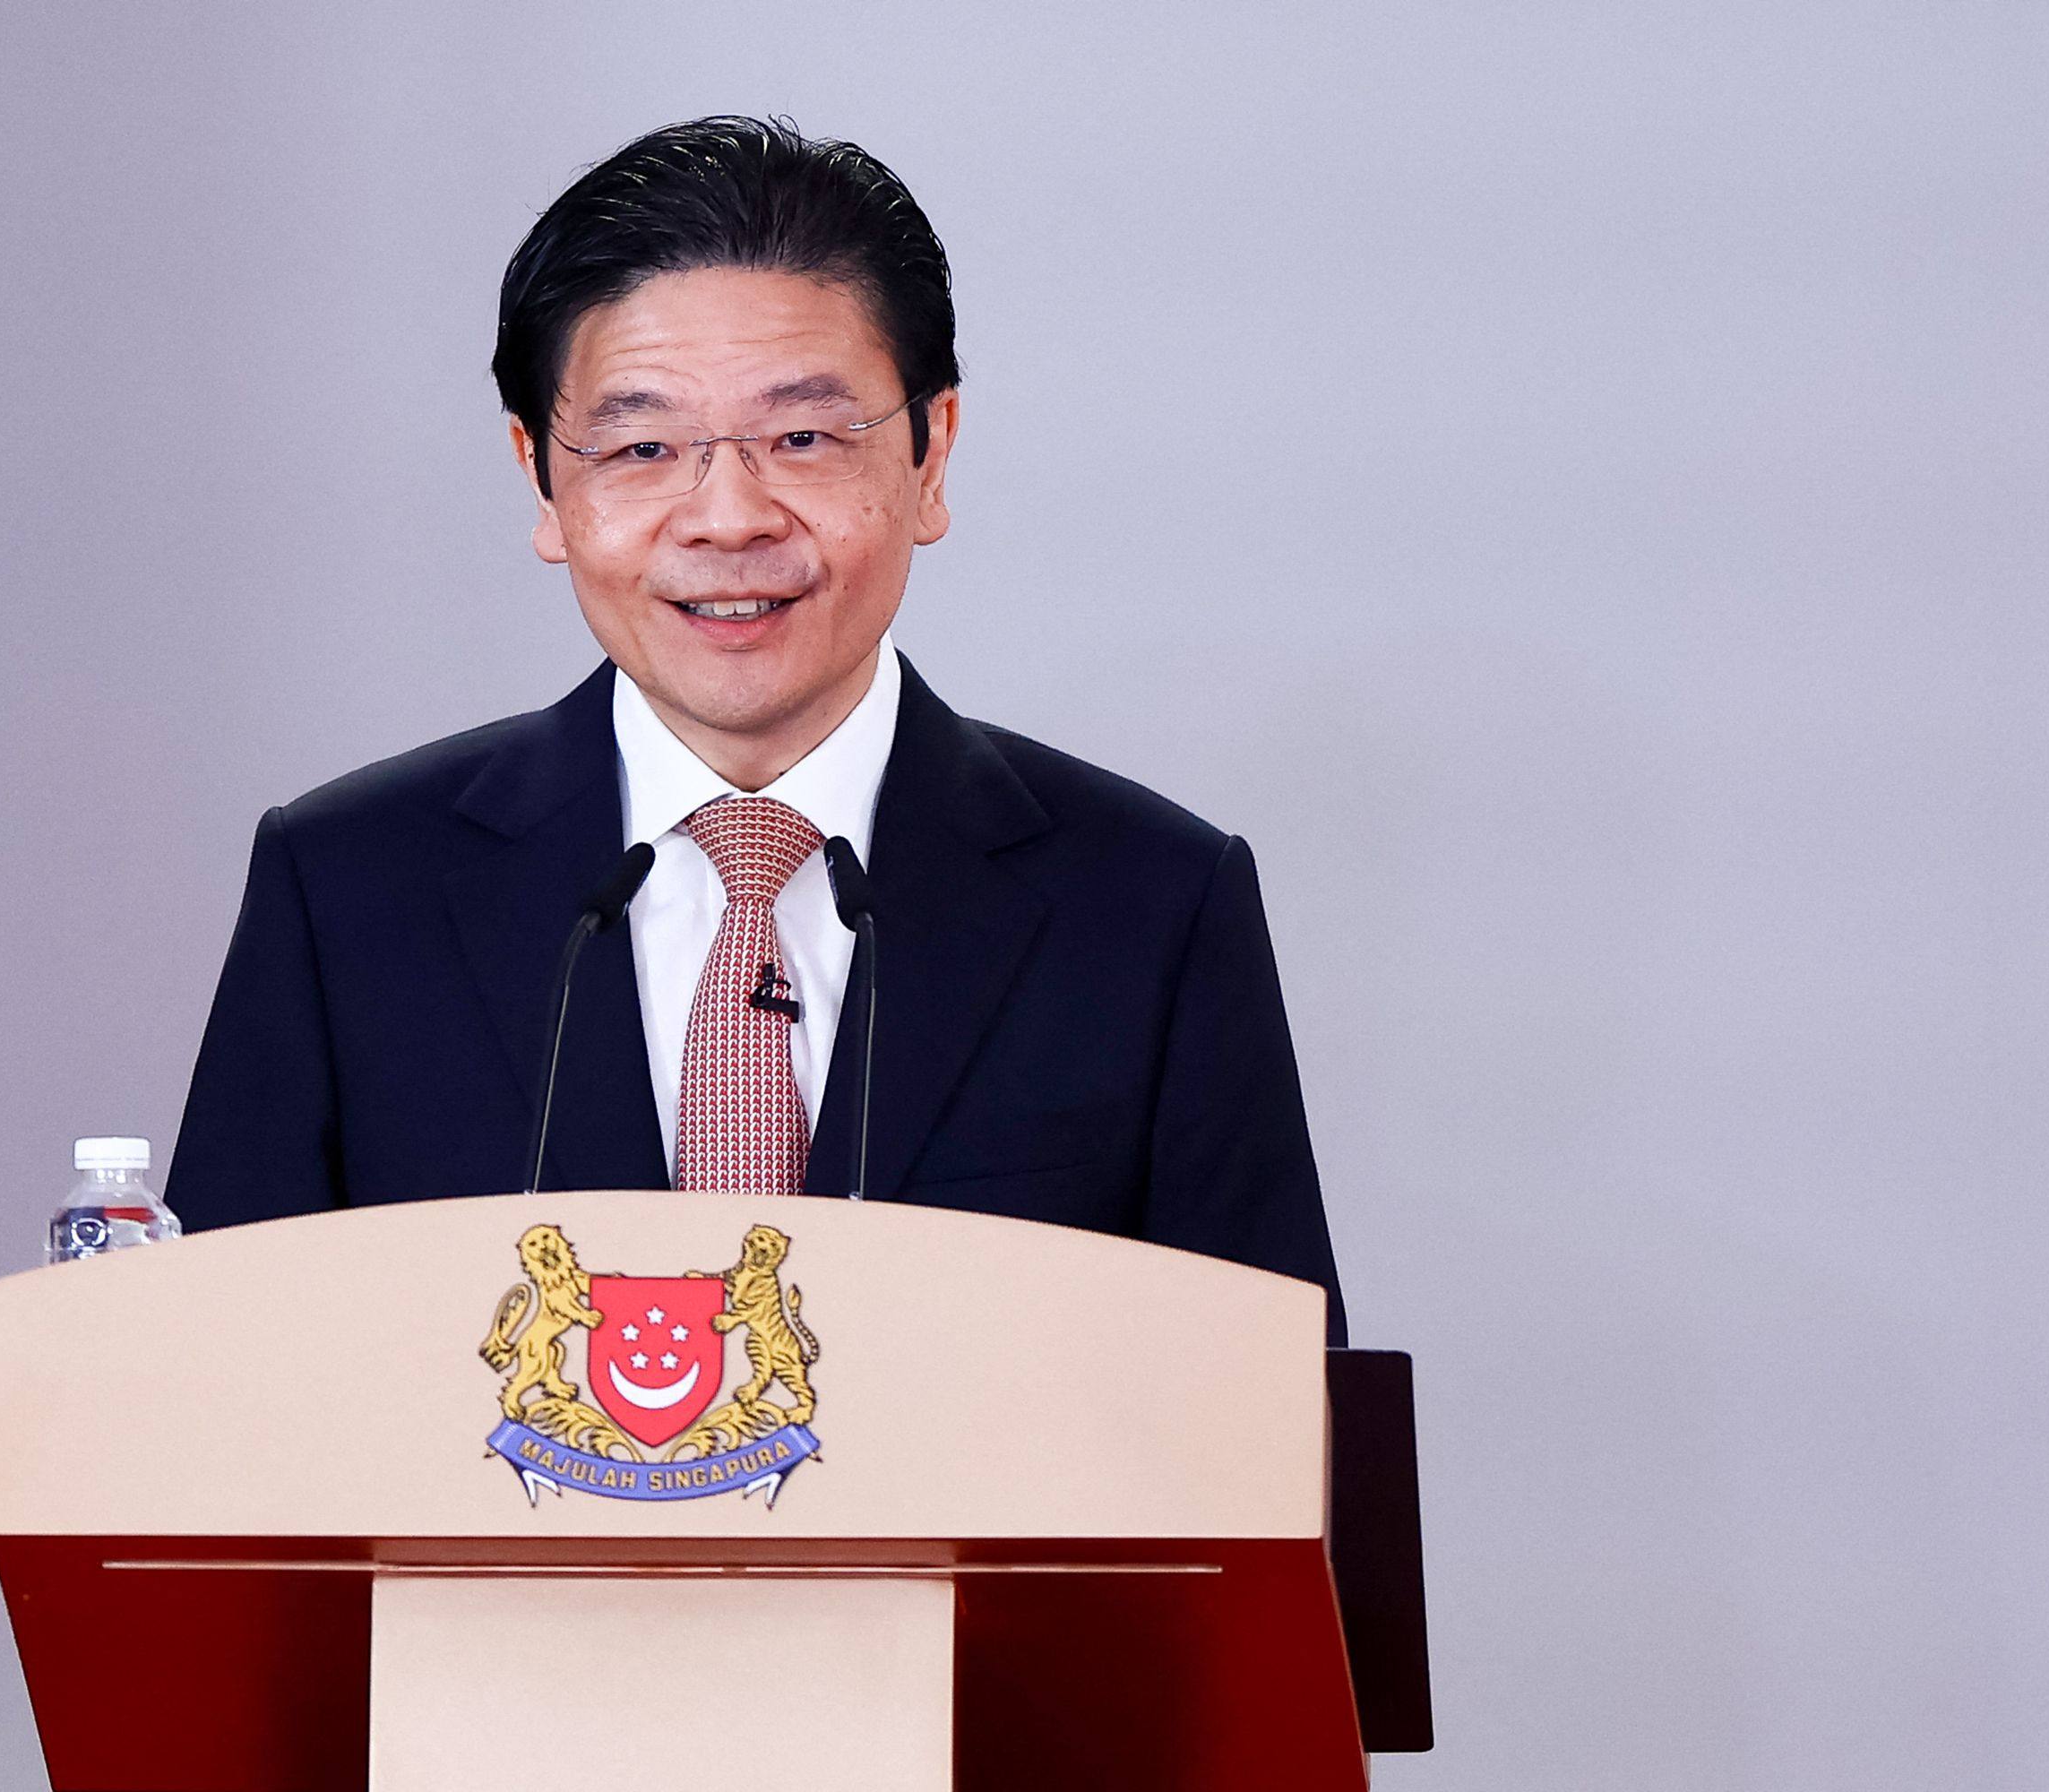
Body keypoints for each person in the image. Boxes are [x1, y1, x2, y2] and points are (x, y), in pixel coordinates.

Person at [168, 116, 1346, 1343]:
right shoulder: (352, 888)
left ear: (931, 454)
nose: (726, 517)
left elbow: (1275, 1441)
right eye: (642, 446)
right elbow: (213, 1402)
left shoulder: (1150, 902)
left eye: (802, 438)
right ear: (541, 481)